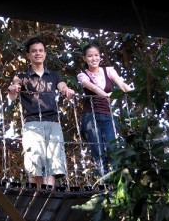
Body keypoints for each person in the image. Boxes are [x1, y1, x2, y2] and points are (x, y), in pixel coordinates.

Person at [8, 37, 75, 190]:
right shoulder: (22, 76)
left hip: (52, 121)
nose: (37, 53)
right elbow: (13, 92)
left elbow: (62, 86)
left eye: (40, 50)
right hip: (32, 123)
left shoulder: (54, 75)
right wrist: (13, 90)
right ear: (28, 55)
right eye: (34, 51)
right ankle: (35, 199)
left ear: (45, 53)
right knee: (34, 161)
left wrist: (67, 90)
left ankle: (48, 196)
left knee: (53, 162)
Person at [77, 42, 133, 178]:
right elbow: (92, 87)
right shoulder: (82, 75)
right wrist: (106, 95)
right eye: (90, 56)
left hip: (107, 115)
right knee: (98, 150)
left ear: (100, 57)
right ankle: (105, 183)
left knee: (113, 148)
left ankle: (118, 182)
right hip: (90, 115)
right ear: (84, 58)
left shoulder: (109, 71)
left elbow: (121, 83)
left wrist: (132, 92)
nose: (94, 58)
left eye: (96, 55)